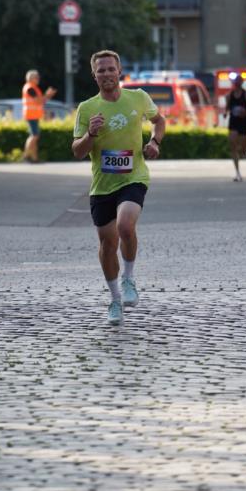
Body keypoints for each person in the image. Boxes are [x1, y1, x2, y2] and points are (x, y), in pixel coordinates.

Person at [72, 49, 165, 327]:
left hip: (133, 176)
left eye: (111, 69)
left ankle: (128, 279)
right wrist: (91, 134)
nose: (107, 74)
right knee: (107, 243)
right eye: (101, 70)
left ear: (119, 71)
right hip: (102, 185)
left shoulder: (138, 97)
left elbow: (159, 121)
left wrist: (154, 142)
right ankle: (114, 300)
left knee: (126, 226)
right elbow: (77, 151)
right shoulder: (87, 109)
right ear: (94, 75)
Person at [224, 73, 246, 182]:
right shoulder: (229, 96)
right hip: (233, 122)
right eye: (235, 83)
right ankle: (237, 172)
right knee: (233, 145)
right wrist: (226, 113)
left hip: (244, 123)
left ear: (241, 83)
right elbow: (226, 109)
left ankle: (242, 151)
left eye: (238, 82)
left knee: (243, 148)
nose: (236, 85)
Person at [22, 69, 57, 163]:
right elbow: (39, 101)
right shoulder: (30, 88)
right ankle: (26, 155)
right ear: (31, 78)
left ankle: (34, 158)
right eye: (36, 77)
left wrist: (48, 96)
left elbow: (41, 101)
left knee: (34, 136)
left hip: (33, 115)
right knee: (34, 136)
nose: (38, 78)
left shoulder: (33, 87)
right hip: (31, 115)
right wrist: (47, 95)